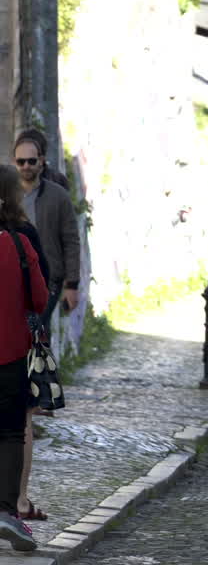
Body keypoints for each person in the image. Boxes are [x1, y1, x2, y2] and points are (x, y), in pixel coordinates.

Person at [13, 133, 79, 523]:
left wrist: (71, 284)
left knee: (36, 335)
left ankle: (33, 394)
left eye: (31, 161)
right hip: (13, 285)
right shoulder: (8, 197)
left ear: (42, 161)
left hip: (48, 281)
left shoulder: (56, 197)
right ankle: (29, 393)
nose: (25, 168)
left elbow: (70, 240)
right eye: (20, 162)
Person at [0, 164, 46, 551]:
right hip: (11, 354)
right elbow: (40, 298)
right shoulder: (20, 243)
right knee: (11, 433)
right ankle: (7, 513)